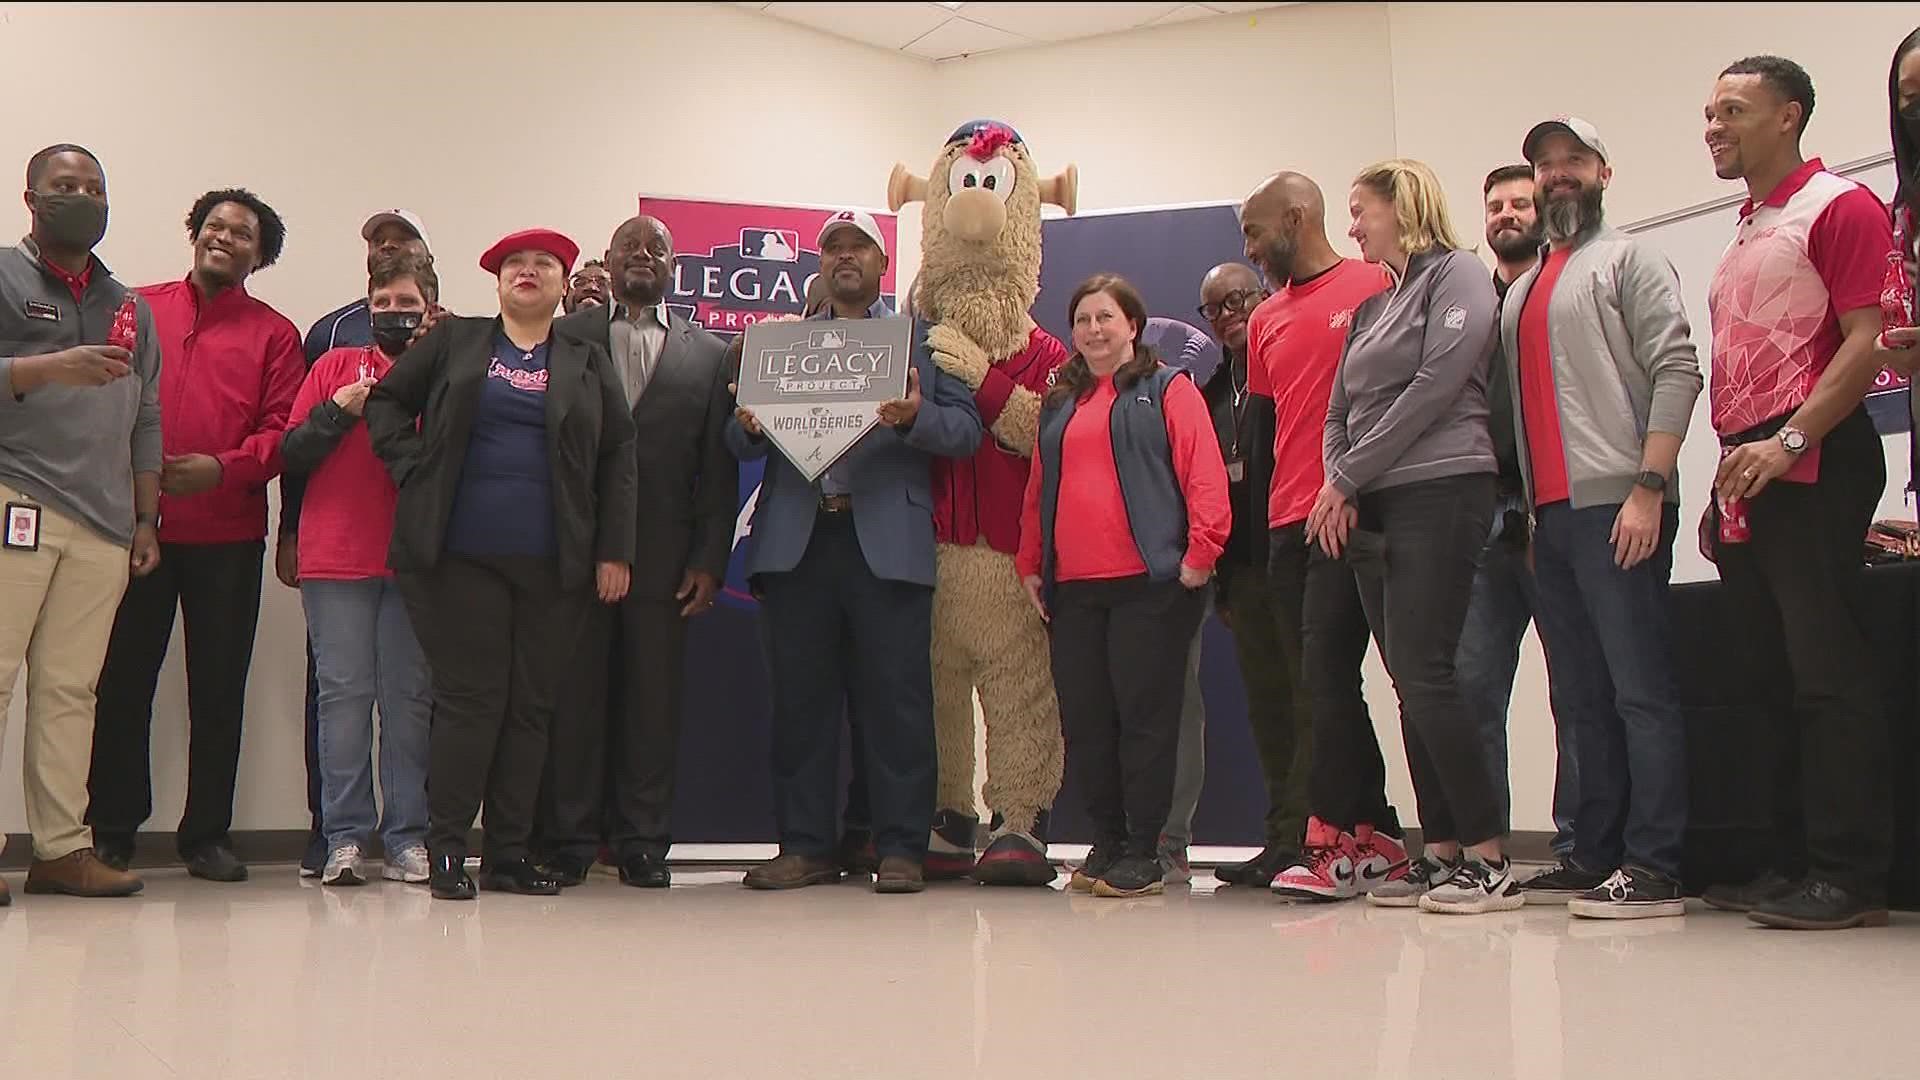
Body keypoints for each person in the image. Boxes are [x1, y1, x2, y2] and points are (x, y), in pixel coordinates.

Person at [366, 228, 638, 901]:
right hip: (458, 558)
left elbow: (618, 457)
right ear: (495, 281)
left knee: (532, 708)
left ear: (563, 284)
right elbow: (386, 402)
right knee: (471, 702)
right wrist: (415, 468)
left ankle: (511, 855)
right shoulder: (457, 342)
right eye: (514, 263)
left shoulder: (584, 356)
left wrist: (614, 551)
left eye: (544, 264)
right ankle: (450, 849)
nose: (528, 271)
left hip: (556, 564)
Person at [1697, 56, 1899, 930]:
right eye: (1709, 112)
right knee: (1765, 677)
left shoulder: (1838, 207)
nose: (1714, 126)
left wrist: (1787, 442)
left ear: (1791, 116)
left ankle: (1848, 875)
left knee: (1827, 678)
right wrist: (1730, 479)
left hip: (1815, 461)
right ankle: (1786, 861)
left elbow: (1870, 341)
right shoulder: (1749, 225)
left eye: (1733, 110)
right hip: (1754, 471)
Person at [730, 210, 982, 895]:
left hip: (887, 545)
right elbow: (734, 441)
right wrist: (748, 424)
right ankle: (805, 846)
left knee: (897, 703)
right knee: (801, 706)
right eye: (832, 249)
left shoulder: (924, 343)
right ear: (820, 267)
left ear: (881, 265)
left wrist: (915, 419)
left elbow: (964, 430)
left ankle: (899, 846)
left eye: (859, 248)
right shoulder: (778, 346)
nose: (845, 258)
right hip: (796, 545)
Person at [1501, 118, 1702, 920]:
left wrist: (1649, 487)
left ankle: (1653, 865)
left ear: (1603, 172)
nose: (1557, 176)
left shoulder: (1631, 259)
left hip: (1621, 505)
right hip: (1548, 520)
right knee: (1579, 695)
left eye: (1571, 162)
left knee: (1639, 692)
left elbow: (1677, 367)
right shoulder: (1521, 289)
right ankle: (1592, 852)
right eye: (1545, 166)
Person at [1305, 159, 1514, 915]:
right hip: (1374, 503)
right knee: (1407, 683)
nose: (1352, 226)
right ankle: (1444, 850)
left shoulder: (1456, 275)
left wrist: (1347, 476)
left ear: (1405, 207)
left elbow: (1438, 384)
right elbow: (1337, 412)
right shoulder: (1371, 309)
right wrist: (1344, 478)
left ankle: (1490, 854)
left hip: (1444, 489)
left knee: (1429, 672)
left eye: (1361, 211)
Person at [87, 188, 304, 883]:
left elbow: (282, 436)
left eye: (242, 234)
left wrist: (221, 468)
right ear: (195, 234)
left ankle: (206, 835)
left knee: (217, 692)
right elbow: (99, 398)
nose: (225, 238)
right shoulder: (138, 307)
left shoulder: (275, 333)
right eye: (215, 226)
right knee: (122, 685)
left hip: (228, 537)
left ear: (259, 255)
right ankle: (113, 830)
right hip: (134, 530)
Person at [1017, 273, 1229, 899]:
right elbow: (1037, 491)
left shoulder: (1169, 389)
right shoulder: (1060, 402)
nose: (1093, 330)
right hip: (1075, 592)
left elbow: (1204, 475)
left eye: (1106, 317)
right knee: (1088, 722)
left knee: (1147, 721)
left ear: (1133, 326)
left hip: (1152, 586)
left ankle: (1145, 850)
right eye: (1083, 320)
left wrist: (1201, 553)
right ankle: (1107, 841)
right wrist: (1031, 562)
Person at [537, 217, 733, 889]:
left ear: (674, 265)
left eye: (656, 248)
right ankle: (570, 839)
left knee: (653, 705)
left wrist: (709, 558)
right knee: (577, 700)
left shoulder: (711, 355)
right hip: (576, 554)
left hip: (666, 559)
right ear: (609, 262)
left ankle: (643, 840)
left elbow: (718, 468)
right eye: (630, 248)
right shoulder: (567, 338)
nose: (642, 257)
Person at [1232, 172, 1407, 898]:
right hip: (1287, 525)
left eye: (1254, 232)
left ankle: (1357, 835)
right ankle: (1370, 833)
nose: (1248, 248)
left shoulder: (1379, 283)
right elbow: (1266, 436)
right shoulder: (1267, 318)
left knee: (1387, 681)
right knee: (1319, 686)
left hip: (1363, 513)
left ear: (1296, 219)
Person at [0, 145, 155, 902]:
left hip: (105, 520)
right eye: (67, 186)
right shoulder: (2, 273)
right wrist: (45, 368)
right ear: (30, 198)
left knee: (70, 691)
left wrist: (147, 515)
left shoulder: (130, 303)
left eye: (95, 187)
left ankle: (61, 850)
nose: (84, 197)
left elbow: (147, 414)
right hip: (15, 500)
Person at [283, 207, 434, 878]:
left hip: (413, 562)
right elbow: (291, 451)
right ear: (366, 305)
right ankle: (343, 835)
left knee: (408, 700)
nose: (394, 311)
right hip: (336, 557)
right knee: (344, 698)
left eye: (407, 302)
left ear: (429, 307)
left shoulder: (443, 371)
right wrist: (338, 409)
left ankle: (407, 838)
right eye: (383, 301)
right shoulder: (333, 364)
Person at [1459, 163, 1579, 859]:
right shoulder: (1467, 301)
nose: (1507, 213)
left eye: (1519, 202)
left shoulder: (1564, 292)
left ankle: (1579, 846)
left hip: (1555, 511)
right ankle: (1486, 850)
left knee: (1575, 688)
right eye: (1495, 204)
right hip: (1480, 518)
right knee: (1472, 692)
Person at [1194, 261, 1295, 887]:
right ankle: (1284, 838)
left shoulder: (1289, 372)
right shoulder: (1208, 395)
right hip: (1247, 575)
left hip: (1303, 556)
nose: (1230, 313)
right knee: (1270, 709)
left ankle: (1326, 836)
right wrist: (1224, 584)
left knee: (1315, 703)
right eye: (1215, 307)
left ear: (1265, 295)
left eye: (1240, 298)